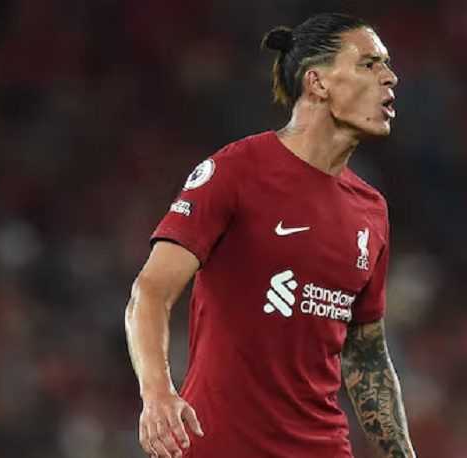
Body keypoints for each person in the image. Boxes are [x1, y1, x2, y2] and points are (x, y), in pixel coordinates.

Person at [124, 12, 416, 458]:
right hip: (221, 446)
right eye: (369, 64)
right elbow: (150, 292)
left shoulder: (371, 209)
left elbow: (366, 354)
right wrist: (158, 393)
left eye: (387, 65)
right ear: (317, 82)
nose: (390, 77)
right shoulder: (237, 170)